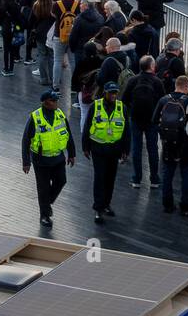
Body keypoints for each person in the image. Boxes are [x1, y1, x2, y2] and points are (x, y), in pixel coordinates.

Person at [21, 89, 76, 229]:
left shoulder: (60, 114)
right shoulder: (35, 118)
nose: (56, 103)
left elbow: (68, 134)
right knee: (43, 188)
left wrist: (72, 153)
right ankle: (44, 215)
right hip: (41, 161)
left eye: (56, 100)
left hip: (58, 158)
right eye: (53, 101)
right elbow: (25, 140)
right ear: (45, 103)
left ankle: (47, 202)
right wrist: (26, 162)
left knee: (61, 181)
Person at [82, 80, 128, 225]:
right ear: (105, 93)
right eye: (111, 93)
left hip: (114, 150)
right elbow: (87, 126)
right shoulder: (95, 106)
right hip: (98, 149)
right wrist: (85, 147)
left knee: (110, 179)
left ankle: (107, 204)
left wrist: (126, 149)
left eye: (115, 93)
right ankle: (98, 208)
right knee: (100, 178)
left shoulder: (122, 108)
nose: (114, 95)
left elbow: (127, 131)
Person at [153, 75, 188, 216]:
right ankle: (185, 207)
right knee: (187, 175)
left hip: (168, 143)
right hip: (187, 144)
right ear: (186, 86)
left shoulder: (163, 100)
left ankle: (167, 205)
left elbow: (154, 120)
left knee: (168, 173)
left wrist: (163, 135)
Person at [122, 55, 165, 190]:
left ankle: (136, 179)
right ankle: (154, 179)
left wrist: (132, 109)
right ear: (152, 67)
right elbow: (162, 102)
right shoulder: (157, 82)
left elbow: (124, 99)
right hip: (152, 120)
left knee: (137, 148)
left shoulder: (133, 80)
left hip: (135, 118)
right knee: (153, 149)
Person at [0, 0, 25, 77]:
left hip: (6, 28)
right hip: (14, 29)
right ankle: (11, 68)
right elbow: (20, 19)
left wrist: (3, 25)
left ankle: (6, 68)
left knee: (6, 49)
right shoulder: (17, 6)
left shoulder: (3, 6)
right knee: (12, 49)